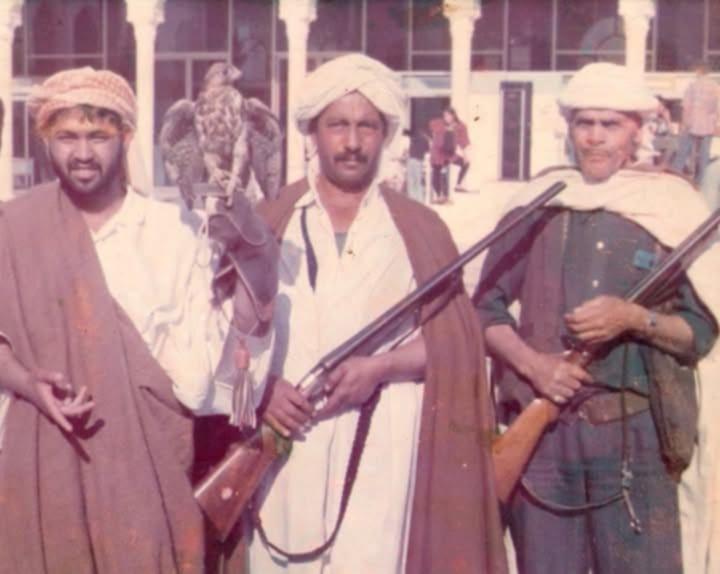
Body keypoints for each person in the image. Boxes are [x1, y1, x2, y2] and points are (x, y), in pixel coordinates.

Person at [0, 67, 274, 573]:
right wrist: (26, 382)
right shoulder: (14, 229)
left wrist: (254, 275)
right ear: (45, 141)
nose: (83, 153)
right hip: (45, 476)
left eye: (98, 137)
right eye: (67, 137)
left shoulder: (172, 232)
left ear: (126, 137)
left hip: (146, 476)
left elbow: (203, 380)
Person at [249, 53, 506, 574]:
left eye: (366, 126)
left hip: (383, 445)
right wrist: (263, 389)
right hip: (282, 442)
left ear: (385, 134)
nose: (351, 142)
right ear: (312, 132)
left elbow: (454, 339)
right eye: (337, 125)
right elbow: (222, 336)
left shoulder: (419, 228)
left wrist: (380, 368)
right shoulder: (269, 220)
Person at [474, 62, 720, 574]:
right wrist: (536, 366)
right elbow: (484, 308)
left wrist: (633, 318)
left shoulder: (671, 205)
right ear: (569, 128)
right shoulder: (539, 202)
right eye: (584, 123)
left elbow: (698, 332)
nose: (595, 137)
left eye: (610, 124)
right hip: (544, 440)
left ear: (637, 129)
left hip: (635, 442)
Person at [671, 61, 720, 185]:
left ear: (698, 71)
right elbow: (717, 108)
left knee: (683, 152)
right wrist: (716, 124)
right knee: (704, 155)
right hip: (708, 124)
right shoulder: (715, 87)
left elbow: (686, 106)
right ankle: (703, 181)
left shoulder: (692, 86)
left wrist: (683, 124)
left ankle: (675, 177)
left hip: (691, 123)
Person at [428, 106, 470, 203]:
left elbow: (463, 141)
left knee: (466, 163)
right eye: (444, 116)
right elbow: (431, 126)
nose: (446, 118)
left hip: (449, 153)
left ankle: (458, 185)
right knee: (437, 172)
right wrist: (444, 130)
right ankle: (439, 196)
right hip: (437, 153)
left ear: (453, 115)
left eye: (448, 115)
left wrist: (465, 155)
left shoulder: (460, 126)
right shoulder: (439, 123)